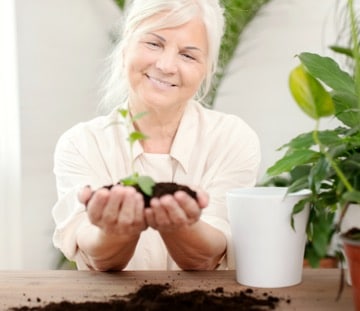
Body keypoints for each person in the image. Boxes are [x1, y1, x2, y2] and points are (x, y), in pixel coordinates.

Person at [52, 0, 261, 271]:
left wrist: (180, 227)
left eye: (188, 55)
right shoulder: (81, 144)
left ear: (206, 70)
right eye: (154, 44)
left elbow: (209, 254)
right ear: (126, 46)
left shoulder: (232, 140)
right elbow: (96, 256)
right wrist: (116, 231)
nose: (166, 65)